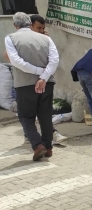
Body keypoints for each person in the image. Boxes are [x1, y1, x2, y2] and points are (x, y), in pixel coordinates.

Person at [4, 12, 59, 160]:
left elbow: (15, 61)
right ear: (29, 23)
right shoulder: (46, 39)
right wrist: (43, 76)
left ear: (15, 25)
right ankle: (48, 147)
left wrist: (37, 72)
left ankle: (37, 145)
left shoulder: (10, 38)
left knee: (25, 116)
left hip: (25, 84)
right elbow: (54, 61)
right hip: (47, 83)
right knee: (45, 116)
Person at [26, 14, 67, 145]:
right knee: (29, 112)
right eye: (39, 28)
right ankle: (31, 135)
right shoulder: (22, 41)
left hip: (45, 81)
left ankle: (51, 134)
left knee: (45, 110)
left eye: (43, 28)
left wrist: (47, 41)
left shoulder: (46, 40)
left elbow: (53, 60)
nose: (41, 30)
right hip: (28, 82)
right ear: (30, 26)